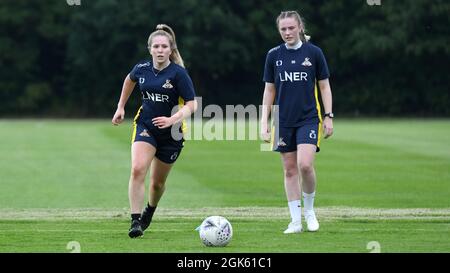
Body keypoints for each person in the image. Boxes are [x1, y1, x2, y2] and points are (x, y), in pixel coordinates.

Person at [112, 24, 197, 238]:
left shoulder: (178, 74)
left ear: (171, 50)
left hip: (172, 133)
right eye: (156, 46)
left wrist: (172, 119)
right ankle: (135, 221)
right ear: (150, 49)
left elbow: (192, 104)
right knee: (138, 169)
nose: (160, 50)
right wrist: (121, 106)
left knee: (157, 183)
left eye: (164, 46)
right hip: (146, 126)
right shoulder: (141, 68)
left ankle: (150, 209)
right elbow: (129, 80)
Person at [260, 11, 333, 234]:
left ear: (300, 27)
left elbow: (324, 86)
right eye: (283, 29)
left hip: (309, 118)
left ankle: (309, 211)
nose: (287, 32)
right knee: (290, 170)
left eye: (291, 28)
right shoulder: (273, 55)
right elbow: (269, 90)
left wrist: (328, 116)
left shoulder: (314, 53)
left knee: (305, 165)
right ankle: (295, 221)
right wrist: (264, 121)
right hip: (283, 121)